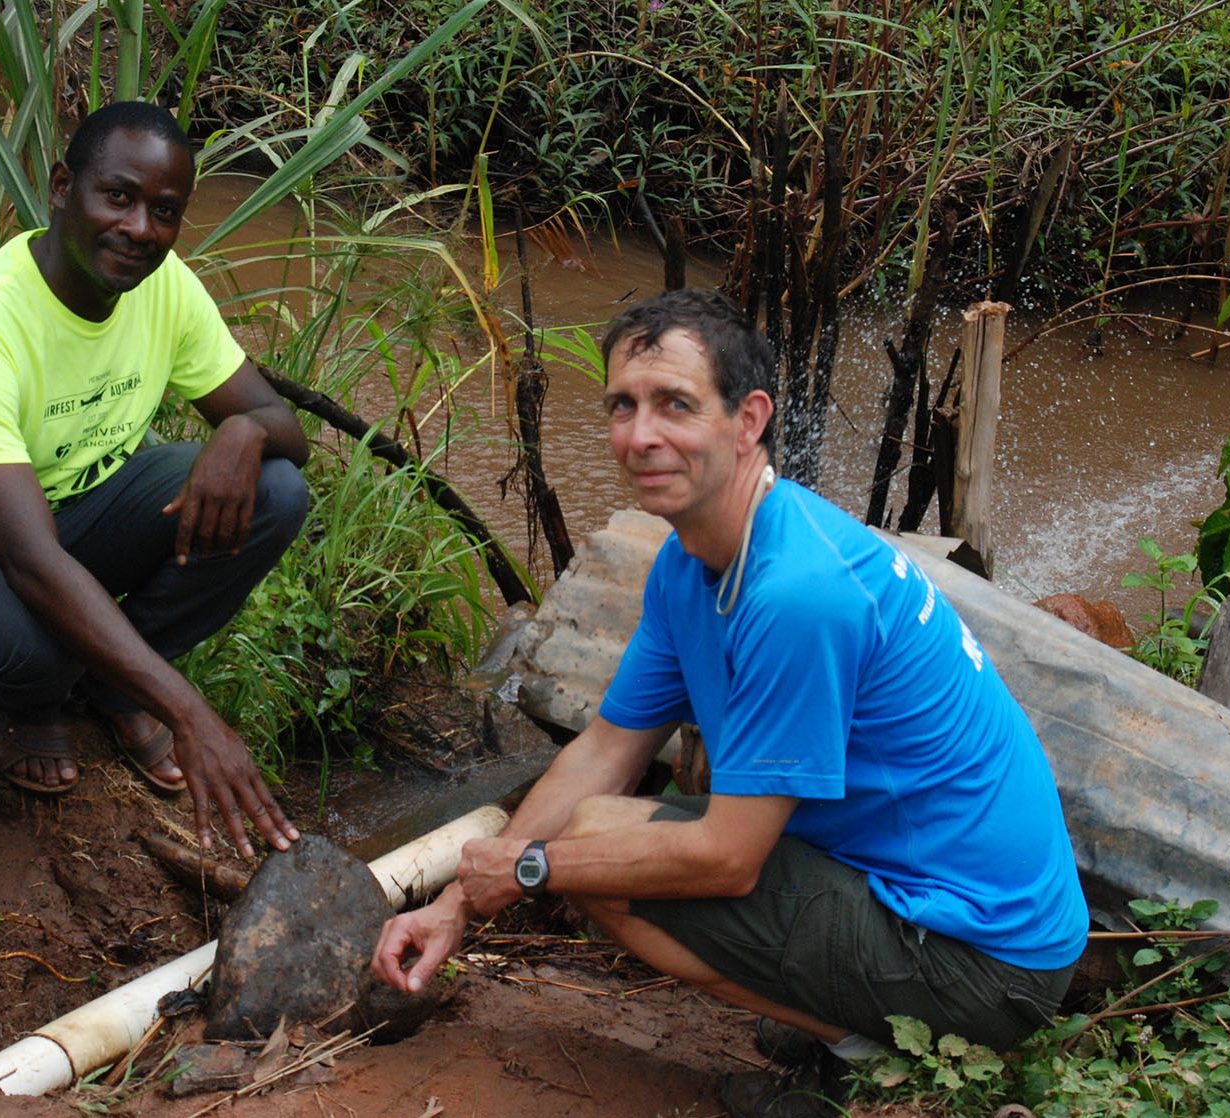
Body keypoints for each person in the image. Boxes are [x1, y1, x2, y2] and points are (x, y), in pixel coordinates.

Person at [371, 288, 1087, 1116]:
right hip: (922, 891)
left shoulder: (795, 595)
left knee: (591, 848)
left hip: (988, 963)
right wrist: (457, 903)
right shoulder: (691, 561)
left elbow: (727, 859)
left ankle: (870, 1057)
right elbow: (607, 749)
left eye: (675, 405)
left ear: (749, 420)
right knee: (595, 827)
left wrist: (530, 867)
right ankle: (852, 1023)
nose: (641, 435)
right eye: (623, 405)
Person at [0, 101, 304, 858]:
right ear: (61, 188)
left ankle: (114, 685)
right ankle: (12, 700)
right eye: (118, 196)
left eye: (164, 211)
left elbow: (285, 429)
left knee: (276, 491)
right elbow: (31, 564)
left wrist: (243, 430)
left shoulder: (164, 289)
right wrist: (191, 713)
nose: (140, 229)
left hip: (74, 509)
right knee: (39, 644)